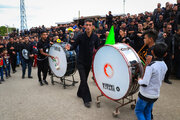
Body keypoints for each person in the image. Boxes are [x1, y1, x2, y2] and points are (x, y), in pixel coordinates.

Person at [65, 19, 100, 108]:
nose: (88, 26)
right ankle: (87, 99)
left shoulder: (95, 37)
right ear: (84, 26)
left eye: (90, 25)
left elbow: (98, 48)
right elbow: (74, 46)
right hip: (80, 62)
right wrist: (69, 48)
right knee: (84, 80)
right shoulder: (80, 36)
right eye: (86, 25)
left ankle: (79, 93)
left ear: (92, 27)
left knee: (83, 80)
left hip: (88, 62)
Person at [135, 42, 168, 120]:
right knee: (147, 111)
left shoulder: (151, 66)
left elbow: (145, 83)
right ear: (165, 54)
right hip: (155, 95)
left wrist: (139, 80)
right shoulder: (165, 66)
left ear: (152, 52)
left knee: (138, 111)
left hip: (145, 95)